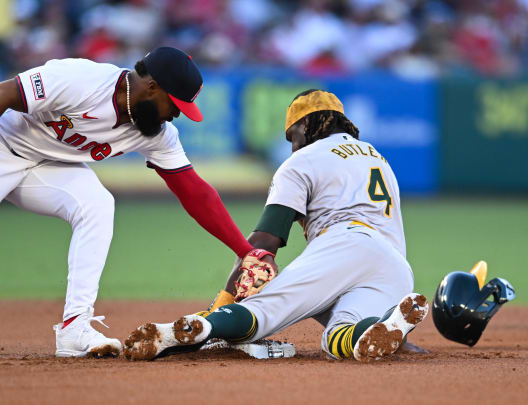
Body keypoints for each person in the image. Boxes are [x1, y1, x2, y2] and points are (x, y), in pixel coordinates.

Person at [0, 47, 276, 358]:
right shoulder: (82, 79)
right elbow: (0, 94)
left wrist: (243, 249)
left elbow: (194, 190)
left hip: (49, 168)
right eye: (175, 104)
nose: (178, 115)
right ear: (151, 87)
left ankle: (74, 329)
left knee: (98, 206)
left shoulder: (155, 133)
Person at [124, 89, 429, 362]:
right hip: (395, 269)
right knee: (339, 337)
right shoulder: (378, 159)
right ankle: (383, 326)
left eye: (292, 136)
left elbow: (263, 243)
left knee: (263, 311)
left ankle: (199, 326)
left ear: (306, 125)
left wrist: (226, 300)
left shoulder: (304, 160)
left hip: (344, 244)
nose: (292, 145)